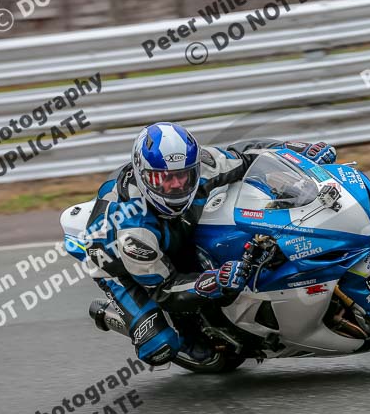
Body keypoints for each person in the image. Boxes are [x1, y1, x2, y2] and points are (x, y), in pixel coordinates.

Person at [80, 122, 336, 366]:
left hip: (171, 230)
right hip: (117, 264)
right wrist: (214, 280)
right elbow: (165, 290)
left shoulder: (202, 165)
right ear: (144, 177)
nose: (177, 186)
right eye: (165, 180)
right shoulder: (133, 230)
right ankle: (114, 315)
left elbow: (245, 154)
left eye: (184, 176)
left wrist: (295, 149)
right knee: (160, 345)